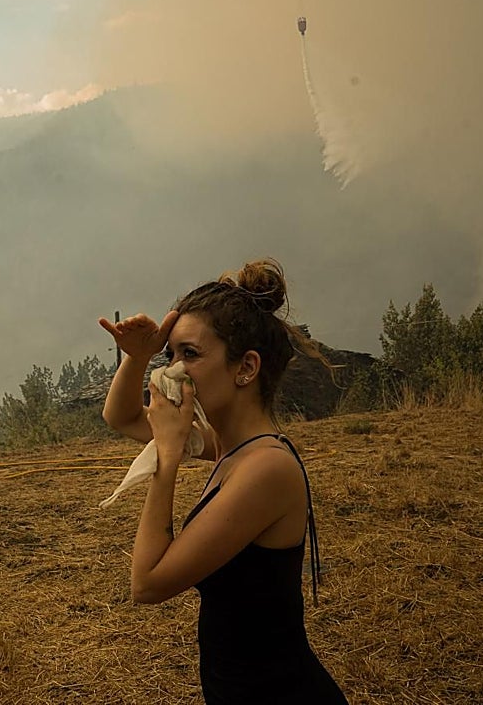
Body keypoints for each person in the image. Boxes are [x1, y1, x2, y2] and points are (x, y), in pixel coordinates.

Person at [99, 258, 347, 704]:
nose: (172, 371)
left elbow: (148, 583)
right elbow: (121, 417)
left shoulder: (266, 469)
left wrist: (168, 457)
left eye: (190, 355)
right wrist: (138, 357)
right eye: (170, 355)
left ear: (245, 368)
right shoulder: (229, 444)